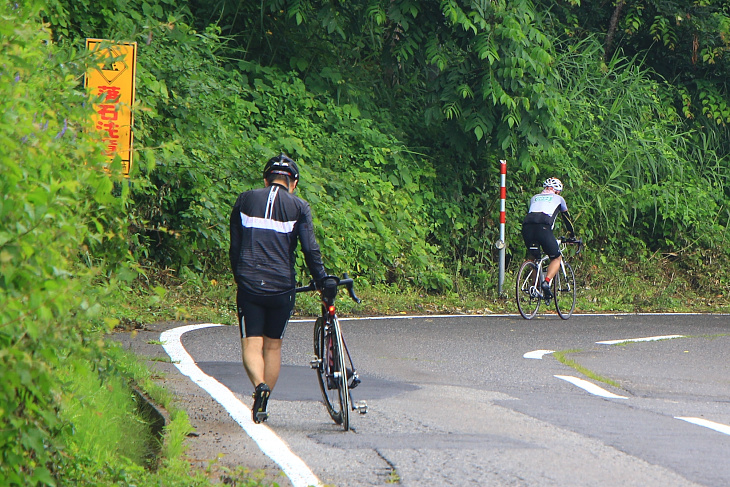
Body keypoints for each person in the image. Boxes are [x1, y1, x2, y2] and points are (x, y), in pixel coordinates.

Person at [229, 153, 327, 423]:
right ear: (292, 182)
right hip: (283, 287)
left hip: (250, 285)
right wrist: (320, 279)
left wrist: (241, 278)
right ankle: (265, 400)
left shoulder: (245, 200)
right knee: (272, 347)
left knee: (252, 344)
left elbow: (235, 247)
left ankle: (258, 386)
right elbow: (310, 249)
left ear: (265, 179)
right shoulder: (299, 206)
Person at [521, 177, 575, 299]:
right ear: (557, 191)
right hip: (544, 228)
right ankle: (546, 282)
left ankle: (534, 287)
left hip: (527, 228)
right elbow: (567, 220)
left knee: (535, 258)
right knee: (556, 258)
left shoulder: (534, 197)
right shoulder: (559, 199)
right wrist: (572, 235)